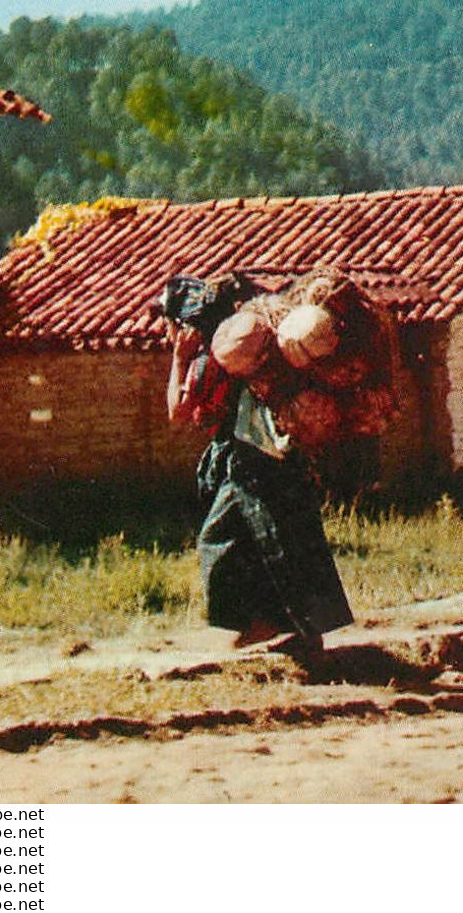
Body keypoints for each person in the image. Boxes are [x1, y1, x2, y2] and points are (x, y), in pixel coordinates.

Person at [163, 274, 353, 655]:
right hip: (287, 457)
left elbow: (178, 413)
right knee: (285, 538)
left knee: (228, 540)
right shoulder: (255, 346)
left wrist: (179, 357)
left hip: (251, 462)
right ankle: (289, 626)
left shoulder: (213, 358)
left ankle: (276, 627)